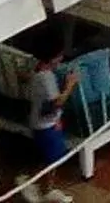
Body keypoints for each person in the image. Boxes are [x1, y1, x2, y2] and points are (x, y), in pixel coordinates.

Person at [28, 47, 80, 176]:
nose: (61, 59)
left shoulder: (37, 71)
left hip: (46, 121)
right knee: (52, 160)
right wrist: (70, 84)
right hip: (45, 125)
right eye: (59, 56)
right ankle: (41, 187)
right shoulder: (46, 78)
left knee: (51, 157)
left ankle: (43, 186)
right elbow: (57, 102)